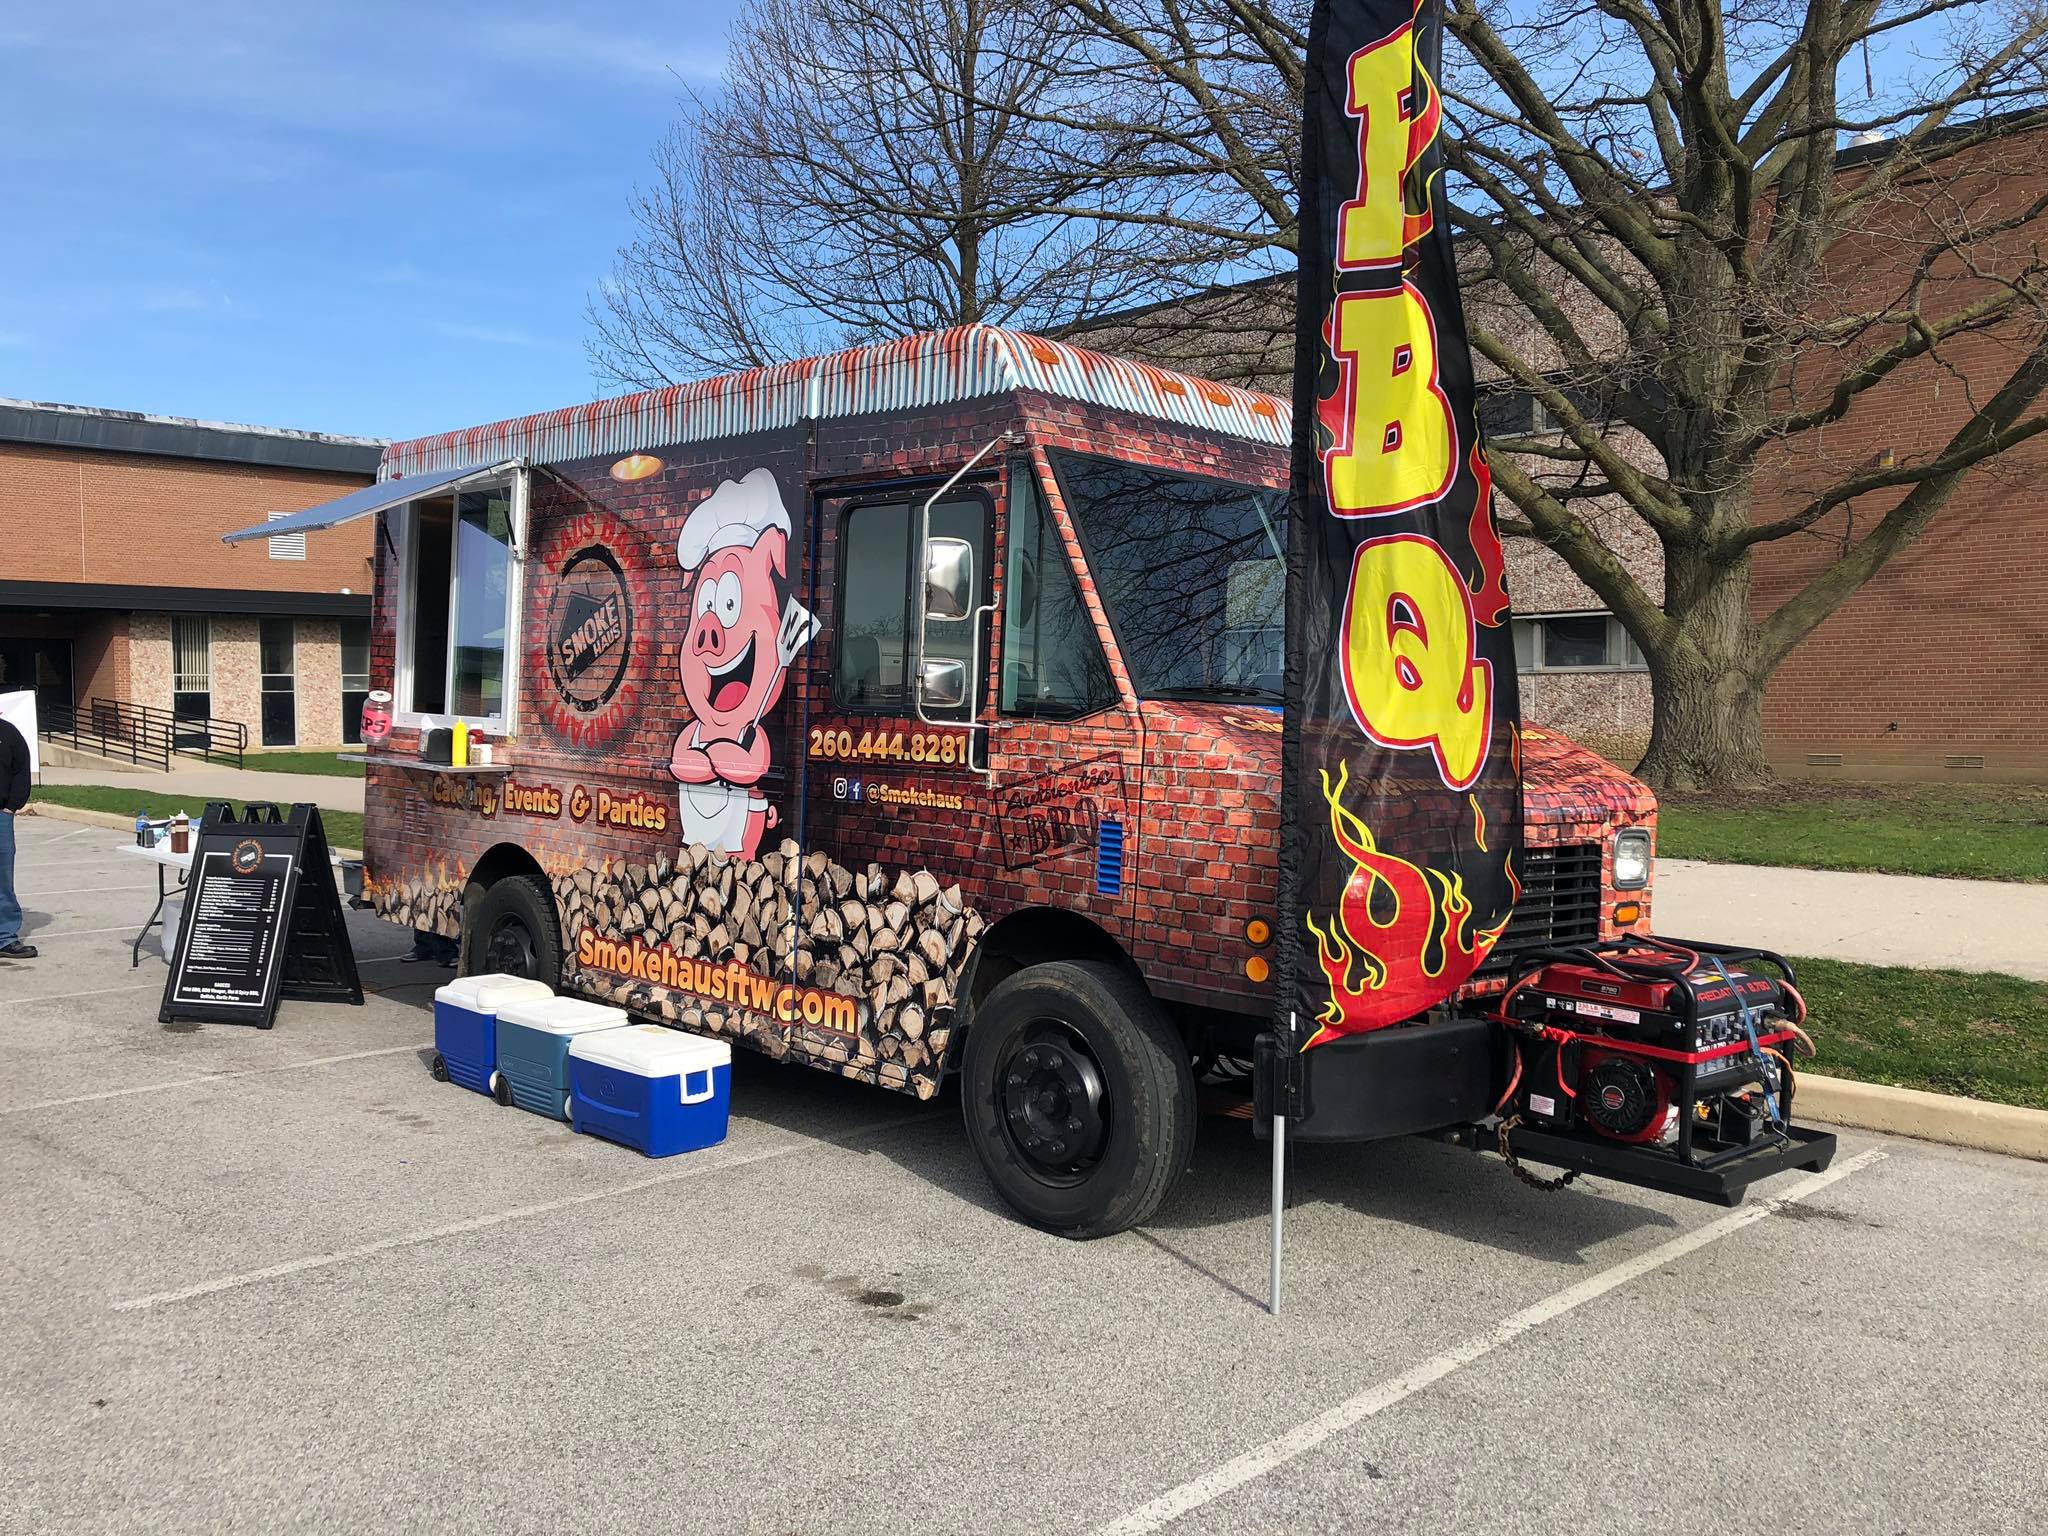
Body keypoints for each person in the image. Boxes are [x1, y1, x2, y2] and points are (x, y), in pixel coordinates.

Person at [0, 711, 34, 960]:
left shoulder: (9, 733)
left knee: (3, 879)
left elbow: (22, 770)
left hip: (1, 816)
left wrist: (11, 807)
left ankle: (5, 938)